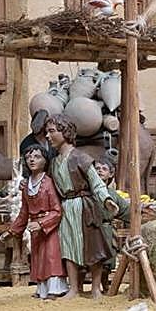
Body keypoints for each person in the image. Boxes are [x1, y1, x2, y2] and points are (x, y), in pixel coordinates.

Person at [43, 114, 118, 300]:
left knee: (93, 246)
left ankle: (95, 288)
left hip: (84, 207)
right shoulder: (54, 163)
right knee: (68, 246)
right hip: (66, 207)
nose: (48, 136)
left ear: (65, 132)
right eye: (47, 132)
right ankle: (74, 288)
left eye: (52, 131)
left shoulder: (81, 158)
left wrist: (106, 199)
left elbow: (96, 182)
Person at [1, 144, 67, 299]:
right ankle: (42, 289)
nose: (32, 160)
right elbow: (24, 212)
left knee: (51, 257)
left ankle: (56, 289)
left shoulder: (49, 183)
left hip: (48, 229)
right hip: (34, 229)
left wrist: (42, 223)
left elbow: (57, 211)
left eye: (37, 157)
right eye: (29, 157)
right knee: (38, 258)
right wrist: (11, 231)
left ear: (45, 160)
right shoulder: (26, 185)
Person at [92, 156, 130, 289]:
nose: (100, 171)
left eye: (104, 169)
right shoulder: (87, 192)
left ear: (111, 173)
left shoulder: (113, 194)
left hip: (107, 231)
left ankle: (105, 284)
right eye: (97, 168)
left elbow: (126, 211)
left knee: (107, 261)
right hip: (91, 229)